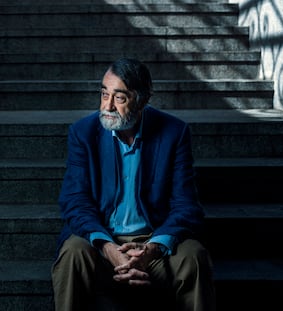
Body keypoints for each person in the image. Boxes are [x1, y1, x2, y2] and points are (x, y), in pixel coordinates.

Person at [51, 58, 216, 311]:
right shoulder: (83, 133)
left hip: (154, 240)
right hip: (102, 239)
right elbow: (75, 201)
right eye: (104, 94)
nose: (107, 106)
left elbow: (186, 206)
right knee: (73, 252)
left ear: (142, 101)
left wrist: (151, 250)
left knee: (194, 257)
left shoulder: (174, 132)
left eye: (119, 98)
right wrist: (108, 248)